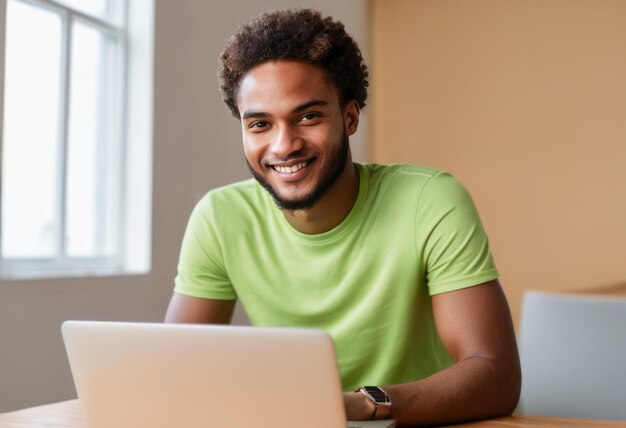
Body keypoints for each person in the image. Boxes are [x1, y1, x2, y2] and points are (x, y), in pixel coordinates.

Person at [165, 8, 521, 426]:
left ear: (349, 117)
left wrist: (362, 405)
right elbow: (174, 371)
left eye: (308, 116)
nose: (284, 145)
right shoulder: (219, 217)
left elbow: (495, 375)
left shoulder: (430, 200)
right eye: (260, 124)